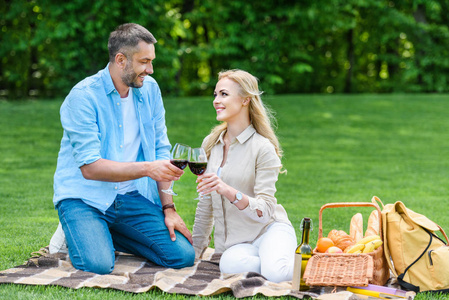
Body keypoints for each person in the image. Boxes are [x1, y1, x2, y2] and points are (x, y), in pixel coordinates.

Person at [50, 23, 195, 274]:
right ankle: (77, 227)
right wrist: (149, 168)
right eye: (144, 62)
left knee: (182, 255)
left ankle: (100, 232)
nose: (150, 70)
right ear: (121, 60)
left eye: (151, 61)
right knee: (98, 264)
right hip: (86, 198)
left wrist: (168, 209)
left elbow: (161, 148)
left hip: (129, 198)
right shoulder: (83, 97)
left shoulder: (150, 90)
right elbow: (90, 168)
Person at [192, 69, 297, 283]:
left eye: (223, 94)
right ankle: (278, 262)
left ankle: (298, 263)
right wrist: (195, 252)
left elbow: (266, 211)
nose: (216, 101)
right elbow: (205, 204)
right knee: (228, 265)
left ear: (245, 100)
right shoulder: (210, 144)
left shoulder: (262, 148)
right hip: (237, 246)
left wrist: (228, 191)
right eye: (215, 94)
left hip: (269, 231)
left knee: (276, 274)